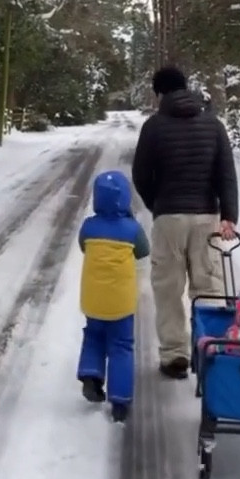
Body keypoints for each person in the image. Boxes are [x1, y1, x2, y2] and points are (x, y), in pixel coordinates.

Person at [131, 65, 239, 379]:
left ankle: (175, 355)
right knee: (208, 287)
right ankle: (212, 350)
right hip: (207, 216)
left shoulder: (153, 127)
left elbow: (141, 174)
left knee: (168, 288)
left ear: (159, 93)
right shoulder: (214, 125)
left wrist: (158, 204)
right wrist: (228, 215)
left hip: (169, 218)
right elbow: (226, 174)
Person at [77, 169, 150, 423]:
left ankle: (91, 375)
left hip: (93, 299)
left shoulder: (89, 226)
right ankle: (119, 402)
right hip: (120, 303)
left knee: (94, 336)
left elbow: (82, 245)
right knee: (121, 347)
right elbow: (143, 251)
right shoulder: (132, 229)